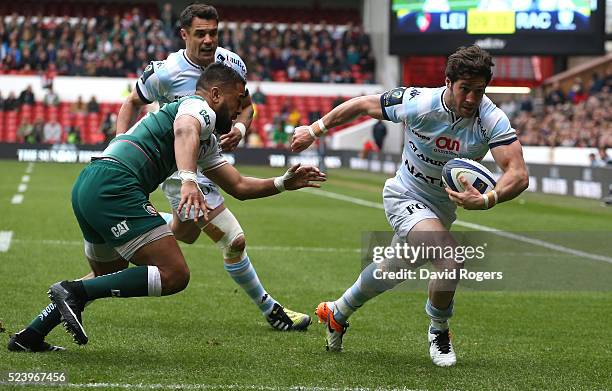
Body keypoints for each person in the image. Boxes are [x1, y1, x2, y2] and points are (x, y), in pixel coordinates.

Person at [8, 63, 326, 352]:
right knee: (175, 274)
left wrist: (283, 182)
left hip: (90, 184)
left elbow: (239, 186)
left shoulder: (206, 138)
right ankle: (72, 292)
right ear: (216, 94)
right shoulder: (198, 108)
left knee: (106, 275)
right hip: (116, 187)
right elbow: (184, 129)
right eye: (239, 98)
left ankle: (31, 335)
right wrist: (188, 179)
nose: (242, 107)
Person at [292, 45, 529, 367]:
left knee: (391, 271)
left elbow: (517, 173)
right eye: (465, 89)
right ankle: (439, 332)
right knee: (449, 259)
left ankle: (337, 312)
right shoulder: (419, 103)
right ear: (448, 82)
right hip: (405, 195)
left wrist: (488, 199)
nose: (472, 99)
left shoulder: (491, 119)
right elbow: (363, 104)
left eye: (479, 90)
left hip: (441, 209)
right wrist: (314, 129)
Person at [116, 4, 312, 331]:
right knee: (233, 240)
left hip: (212, 160)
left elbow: (247, 106)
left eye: (213, 33)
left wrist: (241, 129)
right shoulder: (165, 71)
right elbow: (131, 102)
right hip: (182, 170)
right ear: (184, 35)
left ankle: (141, 221)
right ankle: (271, 310)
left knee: (185, 232)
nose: (209, 40)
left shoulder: (232, 63)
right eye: (200, 33)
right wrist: (119, 144)